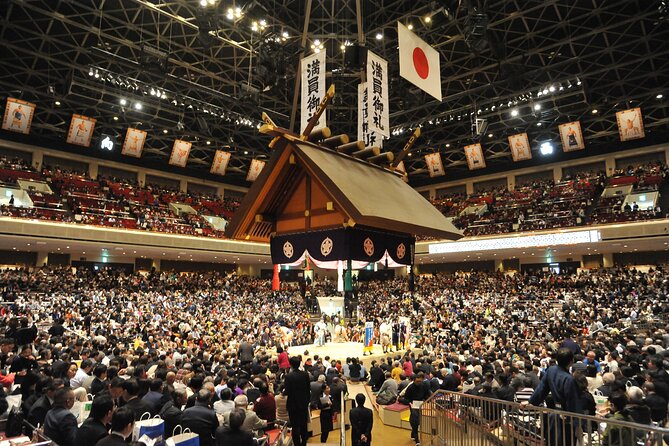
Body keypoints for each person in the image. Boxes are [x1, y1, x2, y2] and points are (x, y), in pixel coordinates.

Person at [526, 348, 582, 446]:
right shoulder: (569, 379)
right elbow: (573, 403)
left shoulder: (551, 370)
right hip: (566, 419)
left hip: (554, 414)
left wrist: (531, 401)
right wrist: (577, 424)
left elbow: (541, 388)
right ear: (571, 361)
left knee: (553, 441)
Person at [284, 356, 310, 446]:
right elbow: (308, 389)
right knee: (303, 425)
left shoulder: (288, 376)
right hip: (303, 402)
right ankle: (304, 443)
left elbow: (287, 391)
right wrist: (307, 401)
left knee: (295, 426)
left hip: (293, 404)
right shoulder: (305, 374)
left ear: (290, 364)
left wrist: (283, 392)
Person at [399, 372, 432, 444]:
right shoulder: (410, 387)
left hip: (420, 404)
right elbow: (406, 398)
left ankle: (413, 433)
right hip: (413, 405)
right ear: (414, 380)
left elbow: (426, 394)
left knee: (417, 420)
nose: (419, 383)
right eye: (417, 381)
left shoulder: (423, 385)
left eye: (420, 381)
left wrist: (427, 400)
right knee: (415, 420)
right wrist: (409, 403)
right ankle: (417, 439)